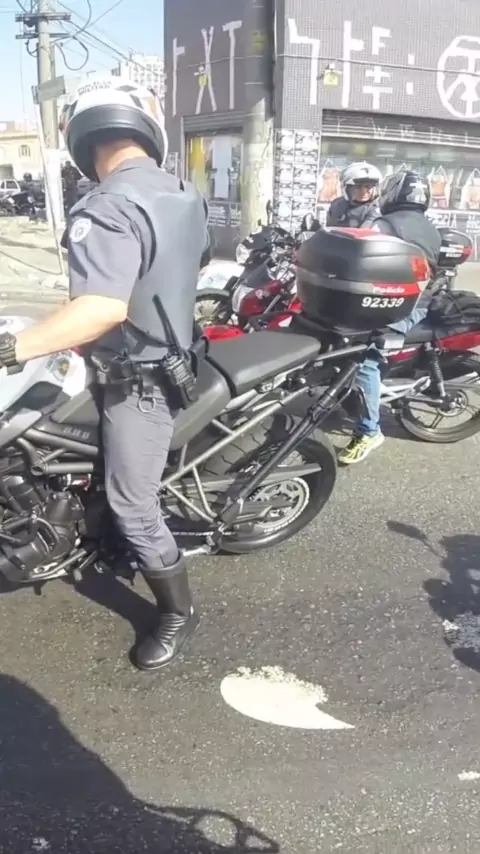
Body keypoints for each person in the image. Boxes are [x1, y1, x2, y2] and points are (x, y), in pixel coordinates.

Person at [0, 75, 208, 671]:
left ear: (84, 139)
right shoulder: (182, 192)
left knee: (133, 503)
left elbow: (99, 308)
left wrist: (12, 349)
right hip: (171, 356)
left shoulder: (106, 204)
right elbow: (188, 265)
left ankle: (179, 612)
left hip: (139, 384)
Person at [339, 169, 442, 465]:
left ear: (392, 193)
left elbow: (362, 257)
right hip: (417, 300)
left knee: (365, 357)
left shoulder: (384, 224)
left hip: (401, 304)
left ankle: (370, 431)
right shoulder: (430, 227)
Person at [326, 161, 381, 228]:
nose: (363, 191)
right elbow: (329, 229)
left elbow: (365, 232)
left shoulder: (379, 209)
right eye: (358, 187)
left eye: (368, 187)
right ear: (347, 189)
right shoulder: (337, 205)